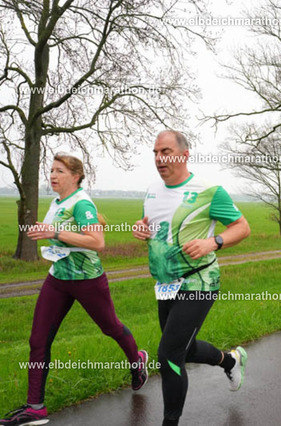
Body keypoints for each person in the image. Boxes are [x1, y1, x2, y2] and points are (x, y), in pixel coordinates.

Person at [1, 154, 148, 426]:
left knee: (111, 327)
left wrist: (54, 233)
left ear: (76, 176)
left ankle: (137, 360)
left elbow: (97, 242)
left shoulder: (82, 203)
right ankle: (35, 408)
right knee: (38, 340)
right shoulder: (58, 202)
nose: (52, 176)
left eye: (60, 171)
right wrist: (48, 234)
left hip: (87, 279)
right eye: (51, 170)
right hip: (58, 277)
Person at [132, 130, 251, 426]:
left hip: (200, 281)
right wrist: (141, 229)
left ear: (184, 155)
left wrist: (213, 242)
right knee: (184, 348)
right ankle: (230, 360)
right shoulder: (152, 190)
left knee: (168, 354)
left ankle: (170, 422)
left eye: (166, 151)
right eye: (155, 152)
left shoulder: (209, 191)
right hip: (165, 285)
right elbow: (153, 228)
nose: (159, 158)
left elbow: (242, 227)